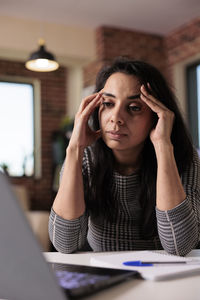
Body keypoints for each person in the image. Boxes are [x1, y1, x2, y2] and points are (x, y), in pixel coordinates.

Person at [49, 57, 200, 256]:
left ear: (156, 116)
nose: (116, 118)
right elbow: (65, 244)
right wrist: (74, 149)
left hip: (165, 278)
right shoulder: (84, 158)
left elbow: (179, 246)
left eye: (134, 107)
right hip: (107, 276)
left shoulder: (182, 158)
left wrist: (163, 146)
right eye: (108, 103)